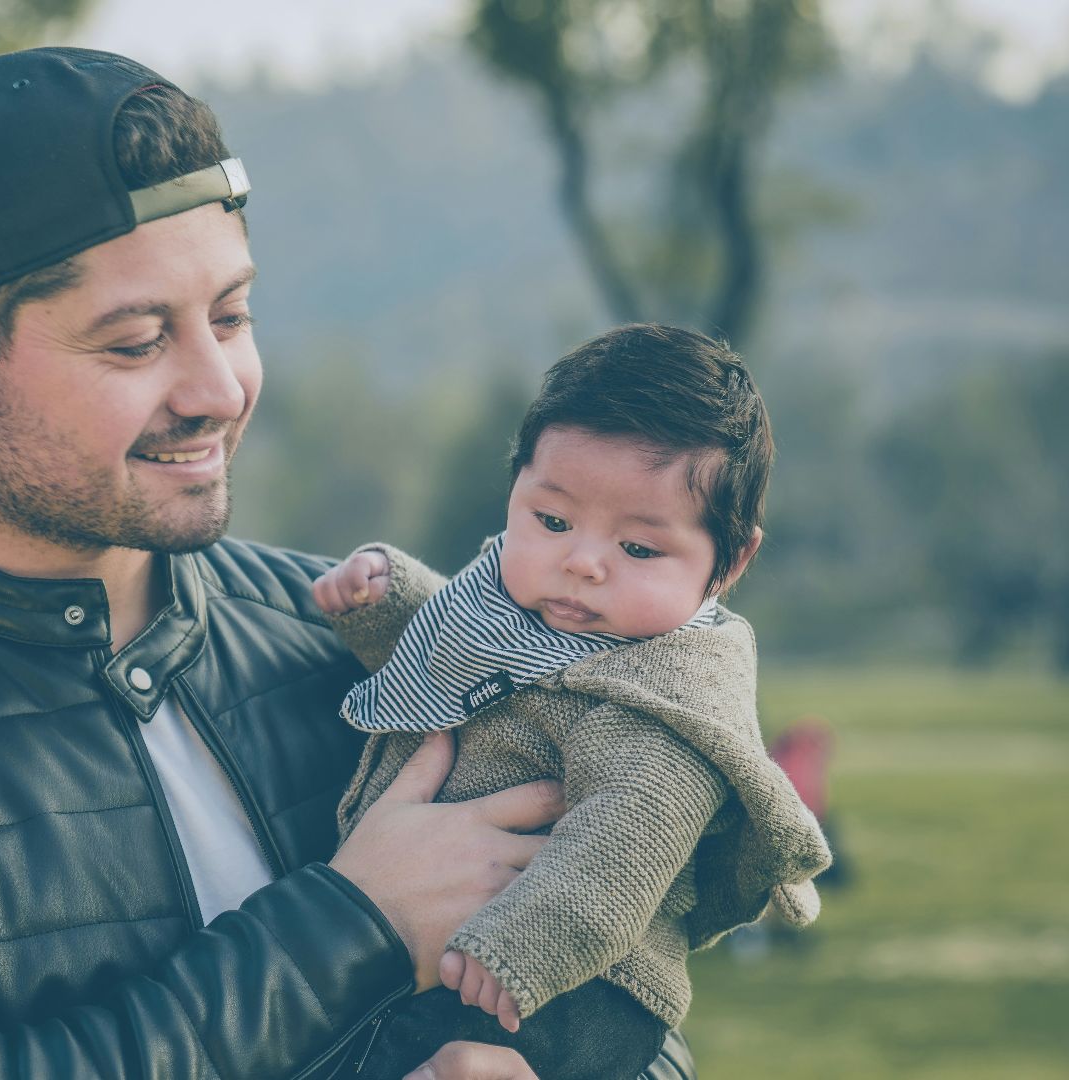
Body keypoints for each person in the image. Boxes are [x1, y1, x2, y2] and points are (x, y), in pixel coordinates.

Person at [0, 48, 699, 1078]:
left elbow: (636, 1000)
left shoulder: (357, 632)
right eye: (137, 342)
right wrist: (355, 922)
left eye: (231, 316)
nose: (219, 389)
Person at [312, 325, 833, 1077]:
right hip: (454, 941)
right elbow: (459, 646)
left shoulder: (664, 704)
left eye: (639, 548)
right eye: (552, 522)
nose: (582, 562)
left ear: (731, 561)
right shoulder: (520, 603)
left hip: (572, 986)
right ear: (515, 490)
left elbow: (624, 845)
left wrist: (520, 948)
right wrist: (385, 597)